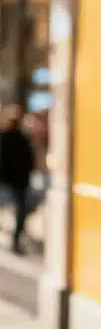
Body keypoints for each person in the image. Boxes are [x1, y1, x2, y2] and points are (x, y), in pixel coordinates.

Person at [0, 103, 35, 255]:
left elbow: (29, 160)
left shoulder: (18, 138)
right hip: (13, 180)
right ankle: (15, 238)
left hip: (13, 180)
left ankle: (15, 238)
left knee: (20, 211)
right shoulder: (18, 138)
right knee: (20, 210)